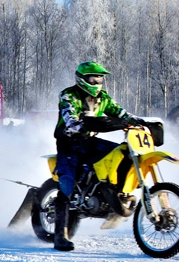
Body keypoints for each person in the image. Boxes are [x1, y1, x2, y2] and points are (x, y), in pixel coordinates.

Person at [54, 61, 145, 252]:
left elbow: (121, 113)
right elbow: (70, 120)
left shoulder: (103, 98)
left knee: (122, 152)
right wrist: (89, 125)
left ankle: (112, 193)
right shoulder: (69, 94)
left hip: (90, 142)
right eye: (93, 78)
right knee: (67, 184)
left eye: (100, 78)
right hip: (69, 143)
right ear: (82, 78)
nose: (97, 82)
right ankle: (60, 235)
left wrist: (139, 122)